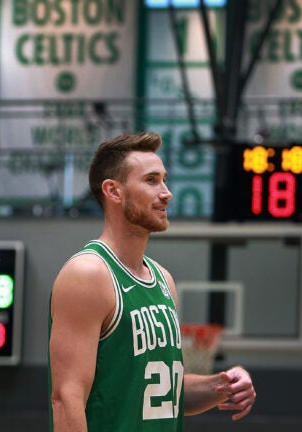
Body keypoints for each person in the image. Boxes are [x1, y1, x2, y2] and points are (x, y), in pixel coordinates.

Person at [49, 132, 257, 432]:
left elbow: (162, 391)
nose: (167, 192)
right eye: (151, 180)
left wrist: (222, 385)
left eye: (165, 179)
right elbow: (66, 398)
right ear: (114, 191)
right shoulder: (88, 274)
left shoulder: (163, 280)